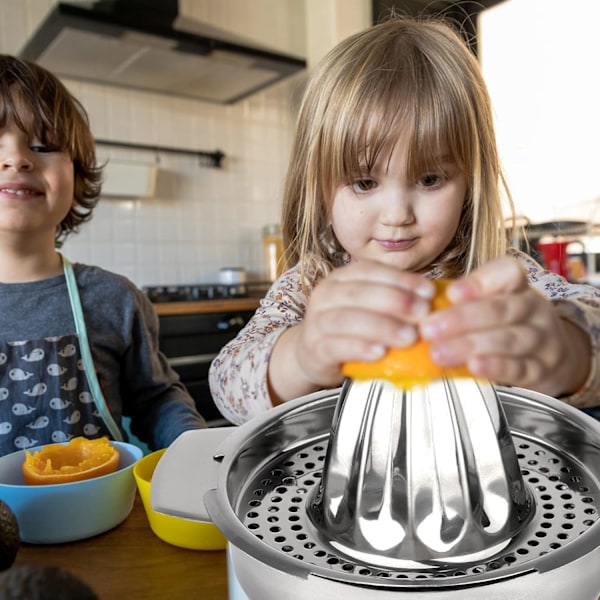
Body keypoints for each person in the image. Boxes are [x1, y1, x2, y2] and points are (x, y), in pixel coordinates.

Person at [209, 16, 600, 425]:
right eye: (363, 182)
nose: (397, 216)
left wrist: (566, 349)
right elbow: (225, 384)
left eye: (430, 179)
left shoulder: (497, 279)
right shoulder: (309, 288)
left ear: (471, 182)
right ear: (320, 189)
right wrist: (301, 357)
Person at [0, 54, 207, 456]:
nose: (17, 159)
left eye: (42, 144)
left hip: (105, 515)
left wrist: (194, 452)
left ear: (77, 176)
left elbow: (157, 400)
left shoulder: (113, 298)